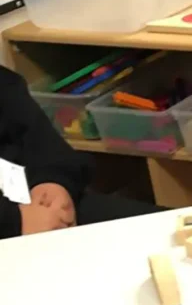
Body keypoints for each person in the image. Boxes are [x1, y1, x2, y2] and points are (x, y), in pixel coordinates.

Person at [0, 64, 163, 238]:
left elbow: (37, 136)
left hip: (37, 201)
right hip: (13, 224)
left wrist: (53, 182)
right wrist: (16, 222)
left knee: (169, 232)